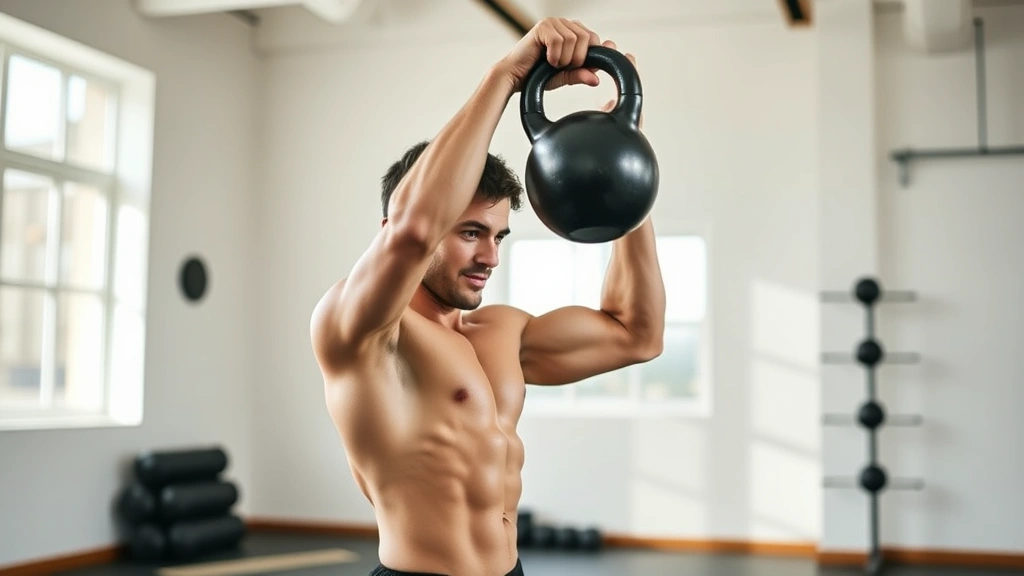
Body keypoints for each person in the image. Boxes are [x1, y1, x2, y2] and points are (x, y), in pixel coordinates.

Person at [310, 17, 666, 576]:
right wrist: (507, 75)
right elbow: (412, 231)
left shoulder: (502, 332)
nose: (490, 258)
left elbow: (636, 335)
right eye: (470, 232)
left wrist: (620, 154)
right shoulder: (364, 333)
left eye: (498, 236)